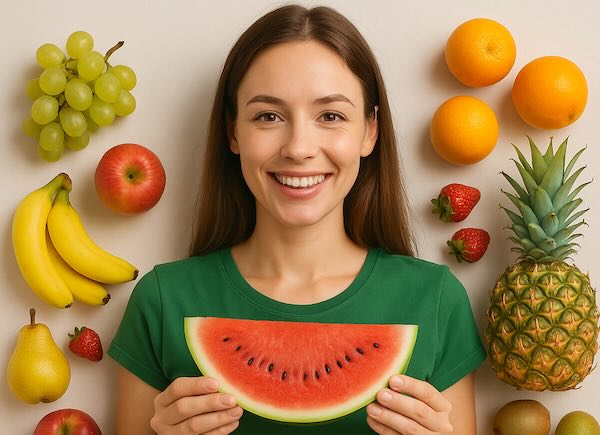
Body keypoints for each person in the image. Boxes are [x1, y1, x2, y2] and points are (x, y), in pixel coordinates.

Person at [108, 4, 486, 434]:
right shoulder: (162, 301)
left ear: (369, 131)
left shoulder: (436, 301)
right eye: (268, 116)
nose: (299, 147)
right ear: (233, 131)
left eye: (330, 116)